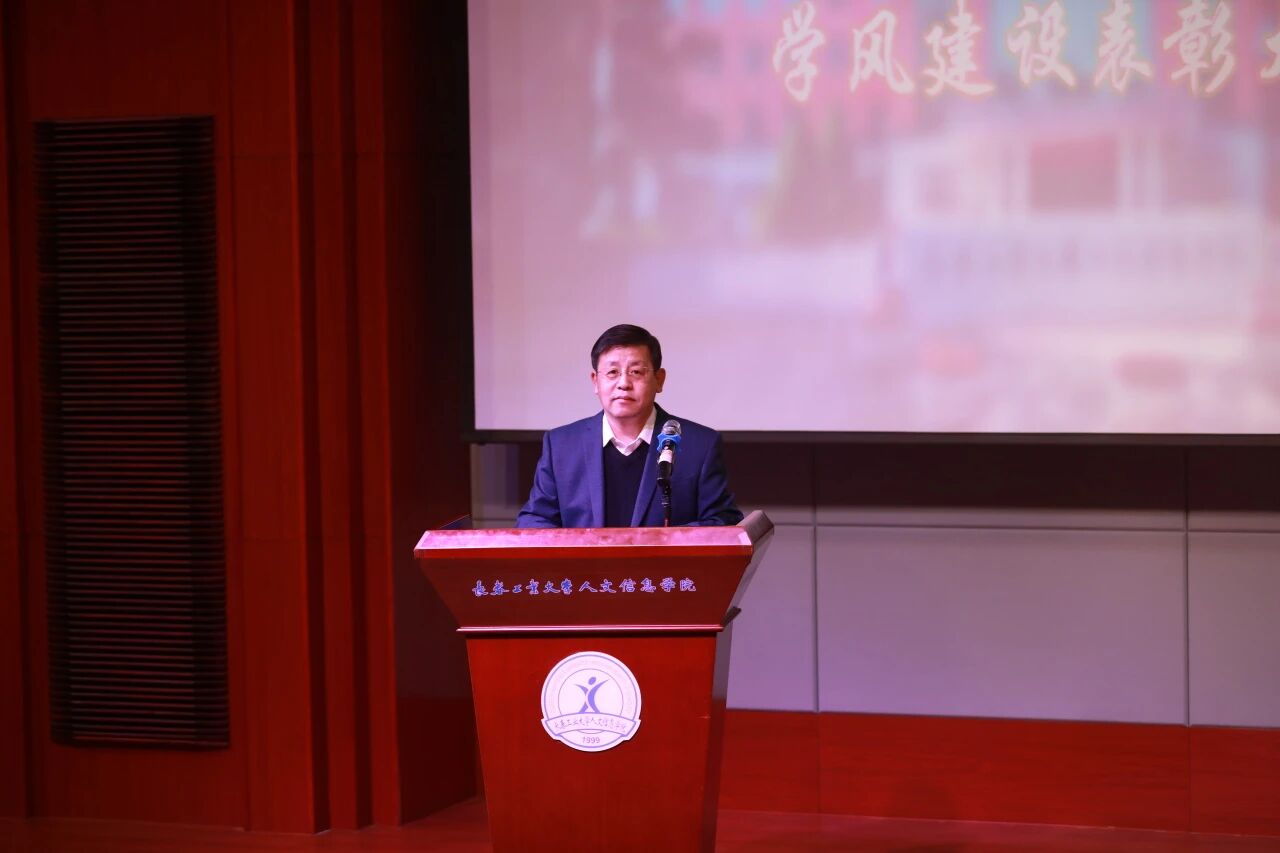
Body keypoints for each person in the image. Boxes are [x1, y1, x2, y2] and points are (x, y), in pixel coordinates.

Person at [516, 324, 743, 528]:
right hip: (585, 565)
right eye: (612, 372)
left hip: (663, 564)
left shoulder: (699, 445)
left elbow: (723, 522)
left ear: (659, 379)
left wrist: (665, 542)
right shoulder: (561, 446)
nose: (623, 383)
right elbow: (534, 521)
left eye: (636, 372)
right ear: (595, 381)